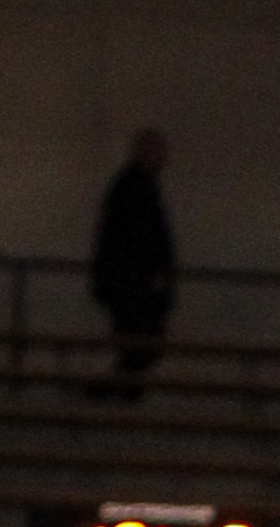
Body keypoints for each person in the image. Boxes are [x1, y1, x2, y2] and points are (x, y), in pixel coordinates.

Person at [88, 129, 174, 398]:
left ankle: (115, 393)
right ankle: (116, 394)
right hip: (133, 285)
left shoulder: (131, 185)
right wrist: (154, 273)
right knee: (142, 343)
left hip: (127, 283)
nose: (162, 157)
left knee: (138, 345)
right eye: (156, 151)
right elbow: (140, 237)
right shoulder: (137, 187)